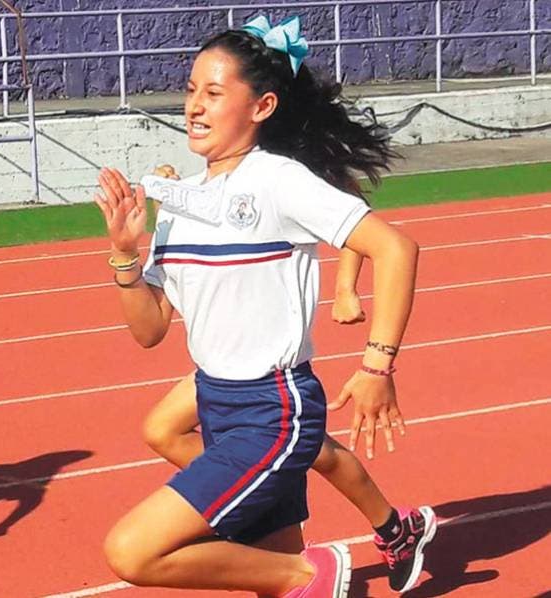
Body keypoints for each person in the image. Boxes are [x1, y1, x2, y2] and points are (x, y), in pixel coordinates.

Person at [94, 15, 421, 597]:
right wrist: (125, 255)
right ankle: (309, 574)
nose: (194, 106)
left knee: (131, 550)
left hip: (273, 410)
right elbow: (149, 330)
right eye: (191, 89)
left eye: (214, 93)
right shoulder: (180, 202)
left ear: (262, 106)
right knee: (270, 580)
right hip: (215, 405)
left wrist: (377, 366)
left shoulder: (279, 181)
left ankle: (316, 571)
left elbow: (395, 248)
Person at [143, 166, 437, 595]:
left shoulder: (285, 163)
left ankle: (387, 528)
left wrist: (346, 286)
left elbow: (351, 204)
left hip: (268, 354)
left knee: (303, 448)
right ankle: (388, 527)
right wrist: (172, 200)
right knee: (166, 430)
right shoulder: (225, 165)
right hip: (225, 355)